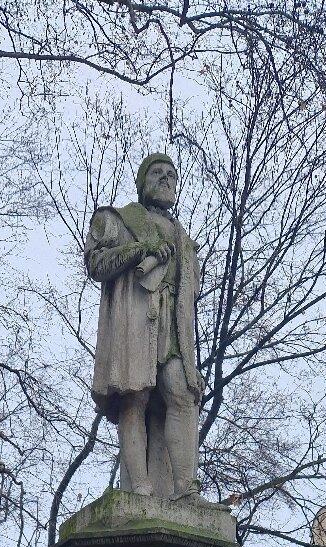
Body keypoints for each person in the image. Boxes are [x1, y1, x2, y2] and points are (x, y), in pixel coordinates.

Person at [84, 153, 203, 499]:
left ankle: (186, 489)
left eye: (172, 174)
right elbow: (96, 265)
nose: (166, 179)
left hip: (174, 329)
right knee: (134, 397)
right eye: (157, 173)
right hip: (135, 321)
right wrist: (140, 249)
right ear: (142, 182)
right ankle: (140, 488)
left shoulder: (183, 237)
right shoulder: (119, 220)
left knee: (181, 393)